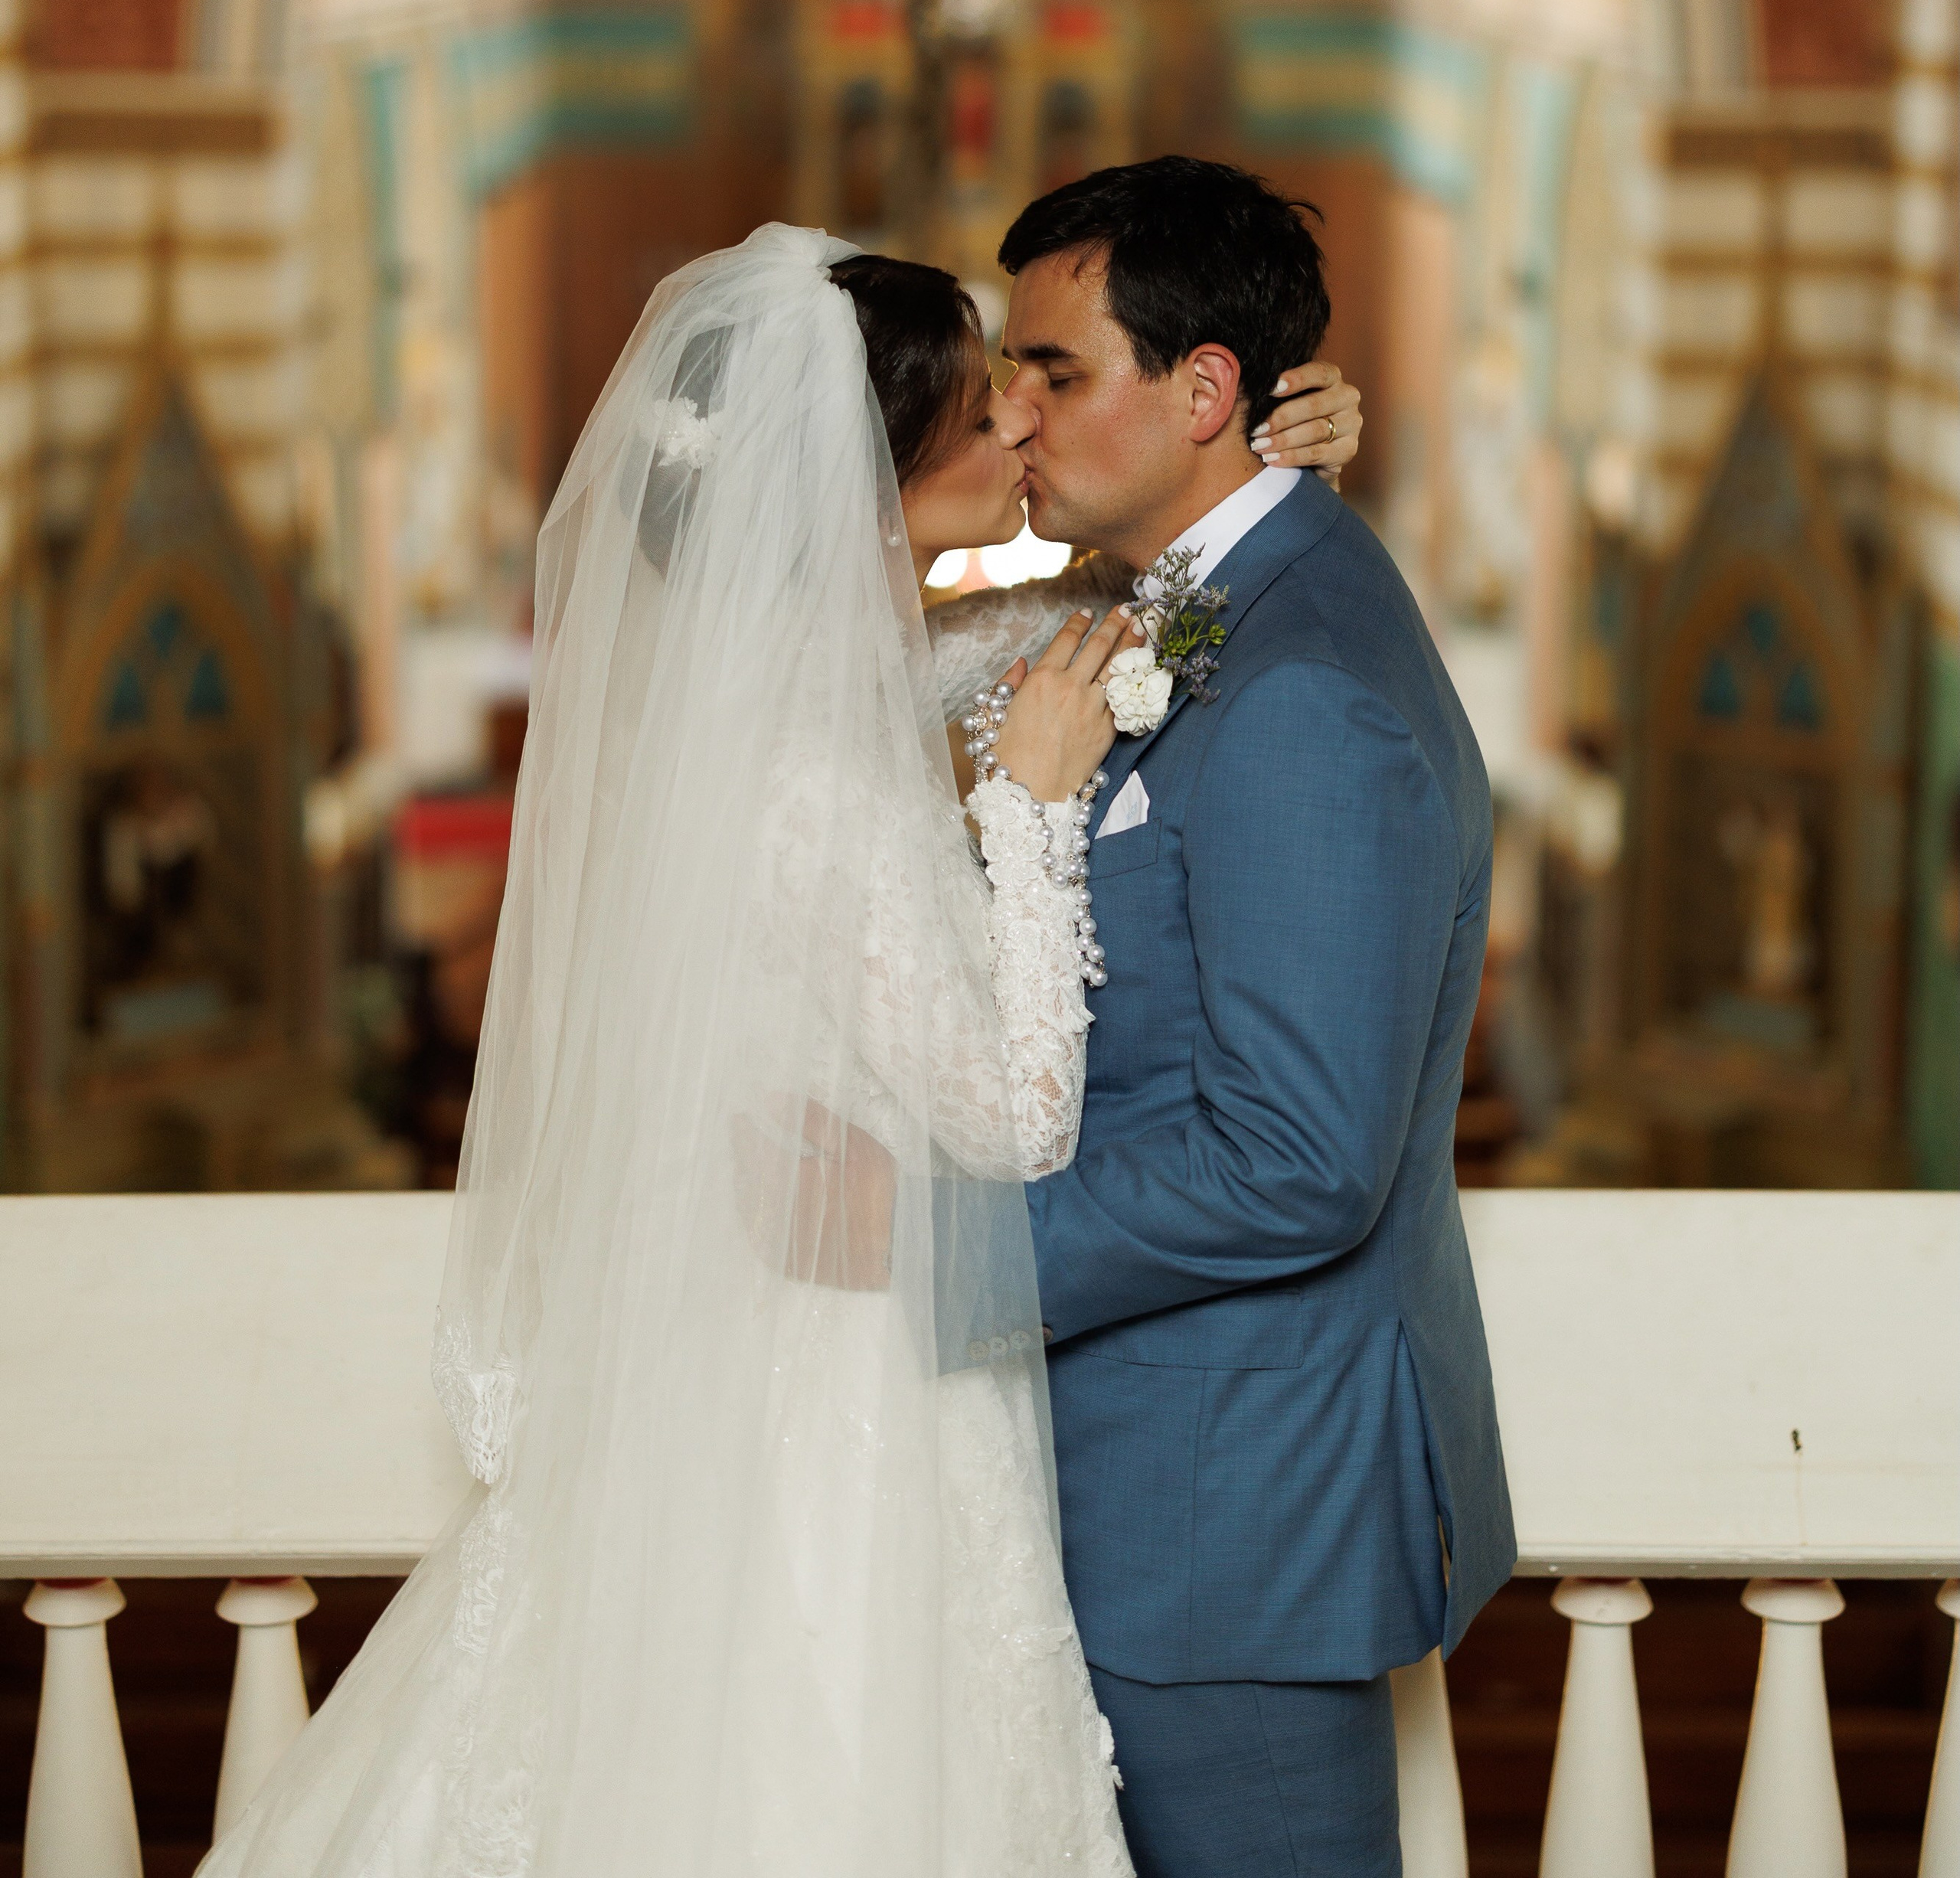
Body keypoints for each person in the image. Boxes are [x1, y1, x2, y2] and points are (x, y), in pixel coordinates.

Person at [199, 220, 1357, 1878]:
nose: (1015, 433)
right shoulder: (803, 776)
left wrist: (1270, 460)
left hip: (781, 1339)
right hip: (842, 1390)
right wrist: (1028, 818)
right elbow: (1021, 1120)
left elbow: (1116, 609)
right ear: (860, 481)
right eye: (975, 418)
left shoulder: (817, 685)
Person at [967, 155, 1514, 1878]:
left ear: (1203, 392)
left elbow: (1296, 1159)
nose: (1015, 415)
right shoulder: (1220, 596)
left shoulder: (1306, 694)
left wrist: (939, 1255)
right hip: (1160, 1493)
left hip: (1225, 1527)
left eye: (1052, 373)